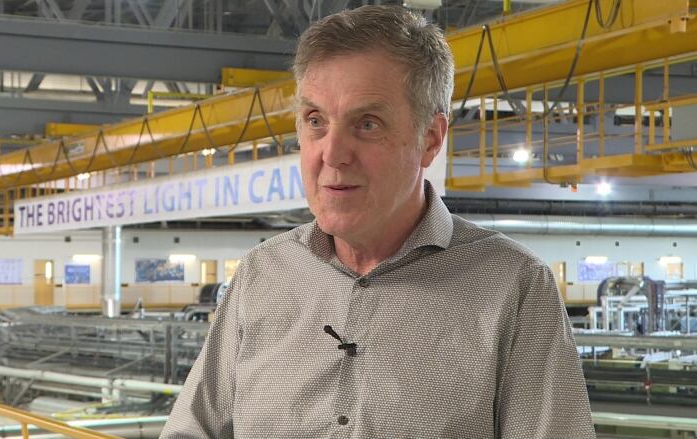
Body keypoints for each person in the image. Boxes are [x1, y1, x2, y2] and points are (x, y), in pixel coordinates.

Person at [160, 5, 594, 438]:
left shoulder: (512, 287)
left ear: (430, 139)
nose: (332, 153)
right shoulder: (262, 275)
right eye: (315, 121)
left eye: (367, 124)